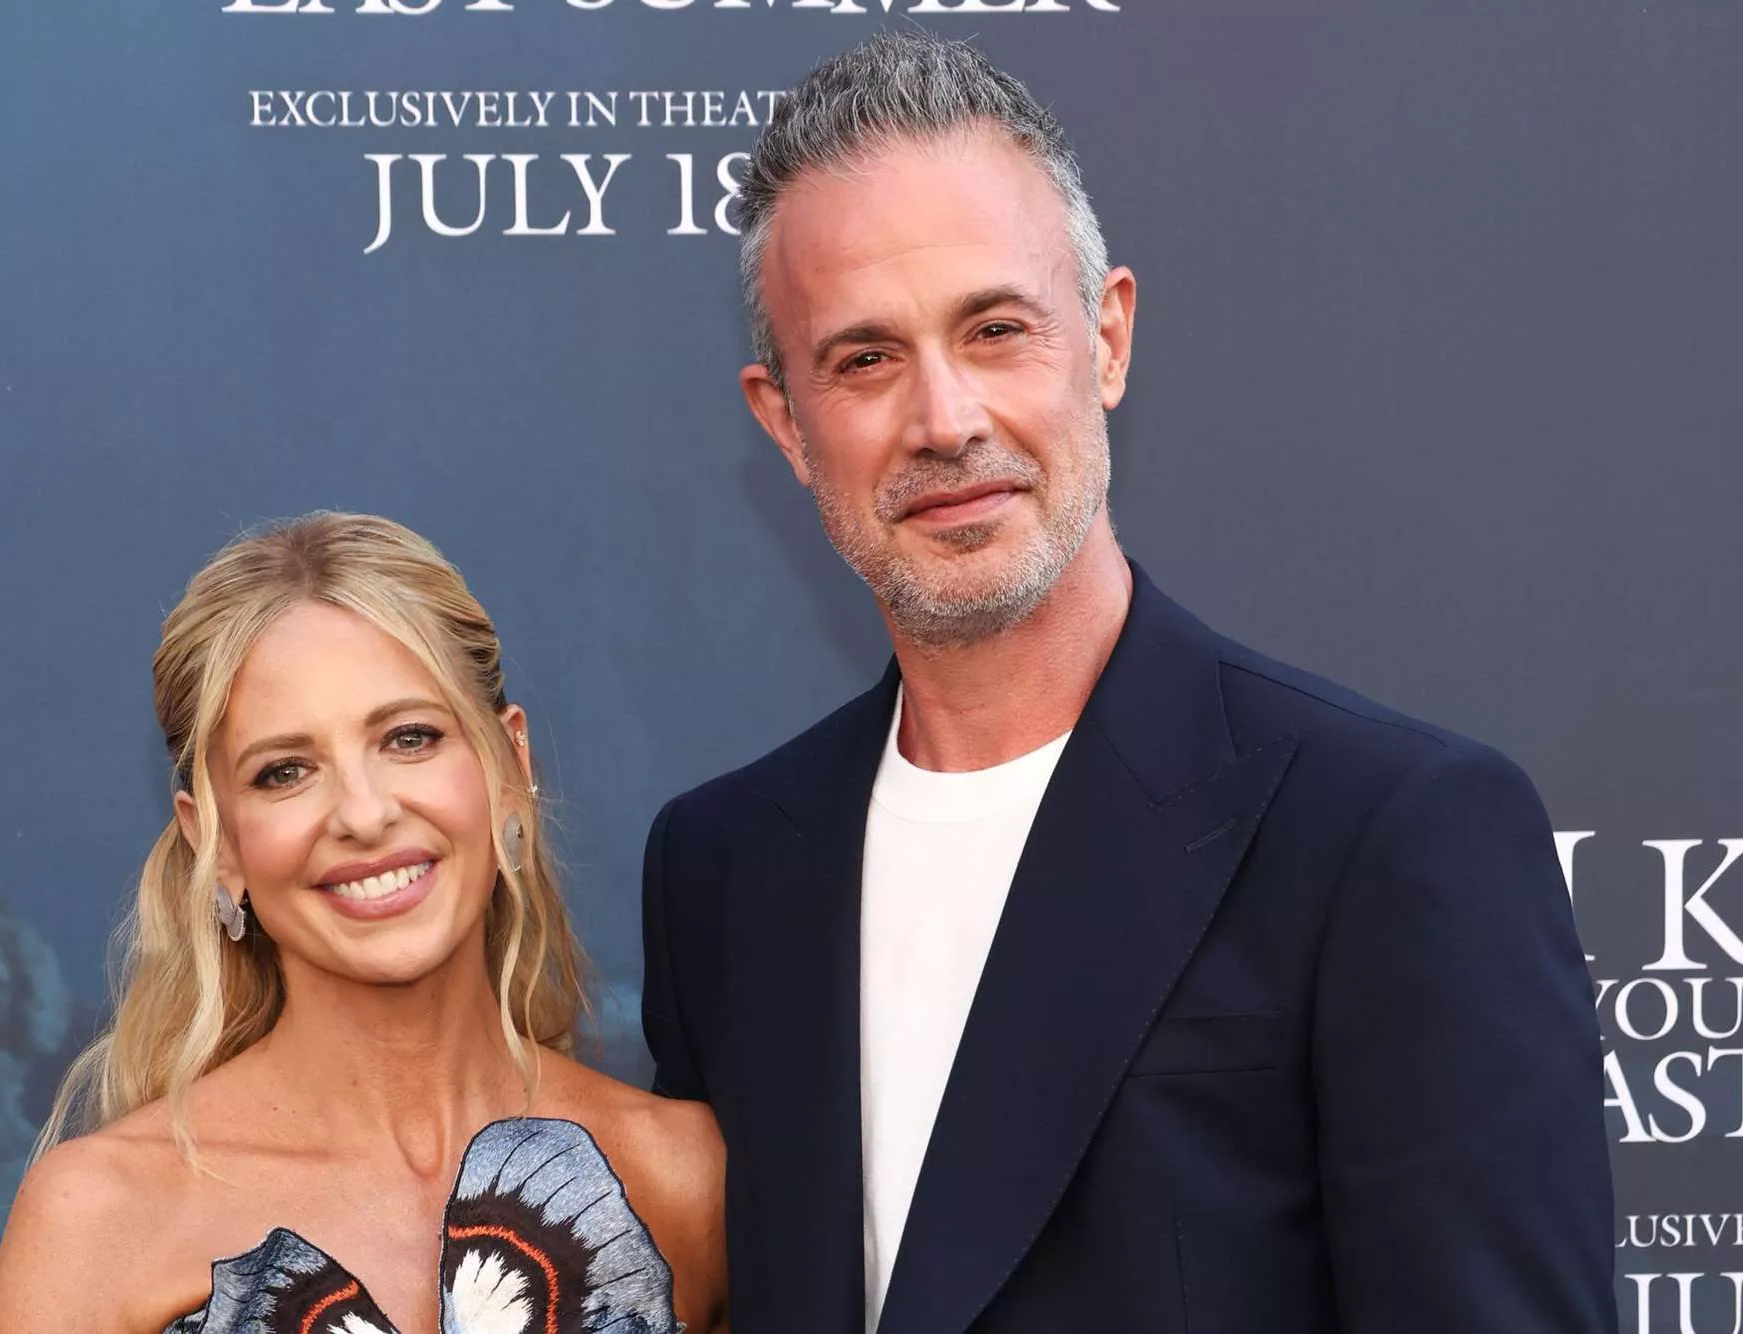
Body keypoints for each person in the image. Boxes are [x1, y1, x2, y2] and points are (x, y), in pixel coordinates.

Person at [640, 32, 1612, 1334]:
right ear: (783, 421)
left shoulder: (1387, 834)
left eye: (996, 330)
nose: (945, 419)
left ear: (1106, 339)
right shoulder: (721, 870)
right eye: (865, 359)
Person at [0, 513, 726, 1334]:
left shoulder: (685, 1174)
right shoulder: (96, 1221)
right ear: (216, 844)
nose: (365, 815)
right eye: (285, 772)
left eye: (409, 738)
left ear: (509, 768)